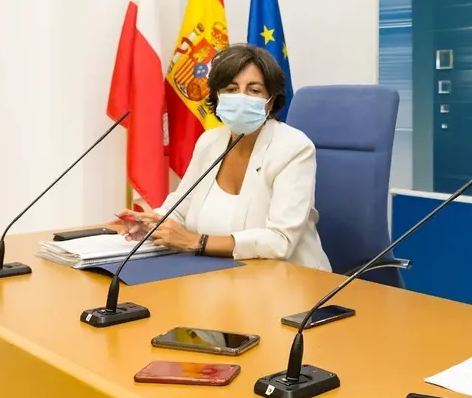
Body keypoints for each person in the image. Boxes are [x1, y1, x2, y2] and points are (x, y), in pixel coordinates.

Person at [116, 44, 330, 271]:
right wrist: (150, 224)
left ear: (270, 100)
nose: (241, 97)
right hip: (217, 275)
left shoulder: (293, 148)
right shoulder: (210, 142)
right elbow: (180, 209)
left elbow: (280, 241)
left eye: (254, 90)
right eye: (231, 89)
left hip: (290, 280)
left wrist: (194, 241)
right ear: (218, 97)